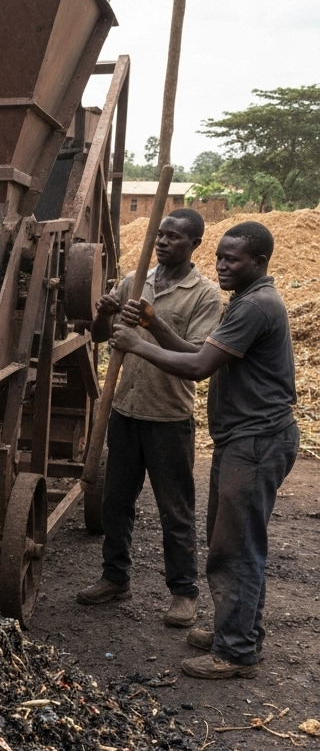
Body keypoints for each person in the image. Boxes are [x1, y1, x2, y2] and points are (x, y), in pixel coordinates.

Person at [110, 221, 298, 680]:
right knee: (228, 538)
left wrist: (137, 342)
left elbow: (196, 367)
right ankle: (237, 631)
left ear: (259, 262)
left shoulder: (256, 306)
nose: (222, 266)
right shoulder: (247, 302)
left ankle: (235, 653)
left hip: (256, 441)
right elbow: (198, 348)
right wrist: (154, 325)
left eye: (232, 260)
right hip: (241, 439)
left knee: (235, 548)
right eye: (220, 257)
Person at [77, 208, 223, 628]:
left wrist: (152, 322)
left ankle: (183, 593)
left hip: (167, 417)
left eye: (174, 237)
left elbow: (196, 356)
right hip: (125, 409)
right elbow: (104, 336)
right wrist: (105, 312)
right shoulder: (135, 281)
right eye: (160, 234)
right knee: (116, 503)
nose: (162, 242)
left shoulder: (204, 295)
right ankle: (114, 578)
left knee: (174, 510)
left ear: (195, 244)